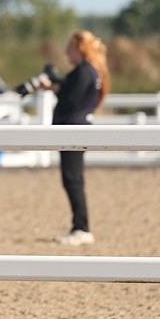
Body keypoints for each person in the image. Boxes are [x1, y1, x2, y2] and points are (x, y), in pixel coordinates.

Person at [52, 30, 110, 245]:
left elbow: (70, 100)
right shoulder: (93, 72)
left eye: (70, 48)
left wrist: (57, 88)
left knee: (72, 180)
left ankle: (81, 227)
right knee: (74, 179)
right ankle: (80, 226)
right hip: (79, 128)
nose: (67, 53)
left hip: (72, 130)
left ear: (79, 49)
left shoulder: (83, 72)